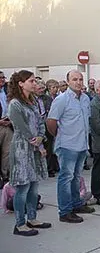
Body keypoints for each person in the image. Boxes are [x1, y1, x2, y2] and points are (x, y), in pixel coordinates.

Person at [6, 70, 51, 236]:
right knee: (23, 188)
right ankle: (20, 223)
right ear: (21, 83)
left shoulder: (33, 101)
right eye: (31, 81)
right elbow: (22, 128)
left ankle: (32, 218)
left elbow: (40, 122)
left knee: (33, 186)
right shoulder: (15, 104)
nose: (35, 84)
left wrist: (40, 137)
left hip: (34, 149)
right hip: (21, 150)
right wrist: (36, 142)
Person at [47, 70, 95, 223]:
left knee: (76, 177)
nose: (79, 82)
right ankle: (65, 211)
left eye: (81, 79)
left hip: (82, 144)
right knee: (66, 178)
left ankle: (76, 204)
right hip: (67, 145)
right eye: (75, 79)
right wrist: (60, 136)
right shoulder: (62, 100)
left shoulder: (85, 99)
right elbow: (51, 122)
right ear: (68, 82)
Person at [0, 70, 13, 184]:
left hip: (8, 124)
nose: (3, 80)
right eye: (0, 78)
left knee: (7, 152)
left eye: (3, 77)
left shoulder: (6, 91)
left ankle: (5, 176)